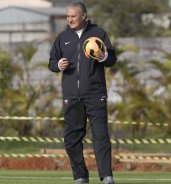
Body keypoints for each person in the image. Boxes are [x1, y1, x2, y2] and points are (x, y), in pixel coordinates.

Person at [48, 1, 117, 184]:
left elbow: (112, 59)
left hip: (95, 94)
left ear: (84, 16)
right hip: (71, 96)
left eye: (73, 16)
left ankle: (106, 177)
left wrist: (104, 57)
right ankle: (80, 177)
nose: (69, 19)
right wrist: (58, 65)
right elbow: (52, 62)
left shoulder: (98, 33)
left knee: (100, 137)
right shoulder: (63, 37)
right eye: (68, 16)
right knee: (71, 140)